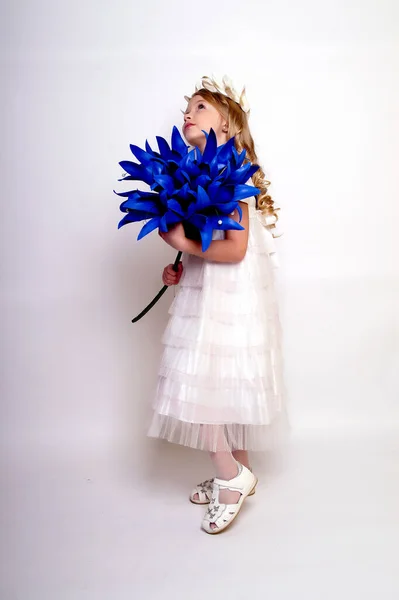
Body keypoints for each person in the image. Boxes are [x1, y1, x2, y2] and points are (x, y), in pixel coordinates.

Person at [147, 75, 287, 534]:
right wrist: (181, 263)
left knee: (204, 382)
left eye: (200, 107)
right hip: (212, 290)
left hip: (228, 297)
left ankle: (231, 475)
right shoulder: (203, 169)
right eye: (187, 107)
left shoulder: (229, 168)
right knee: (222, 385)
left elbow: (235, 249)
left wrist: (180, 238)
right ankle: (239, 472)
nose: (188, 113)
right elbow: (211, 242)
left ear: (226, 123)